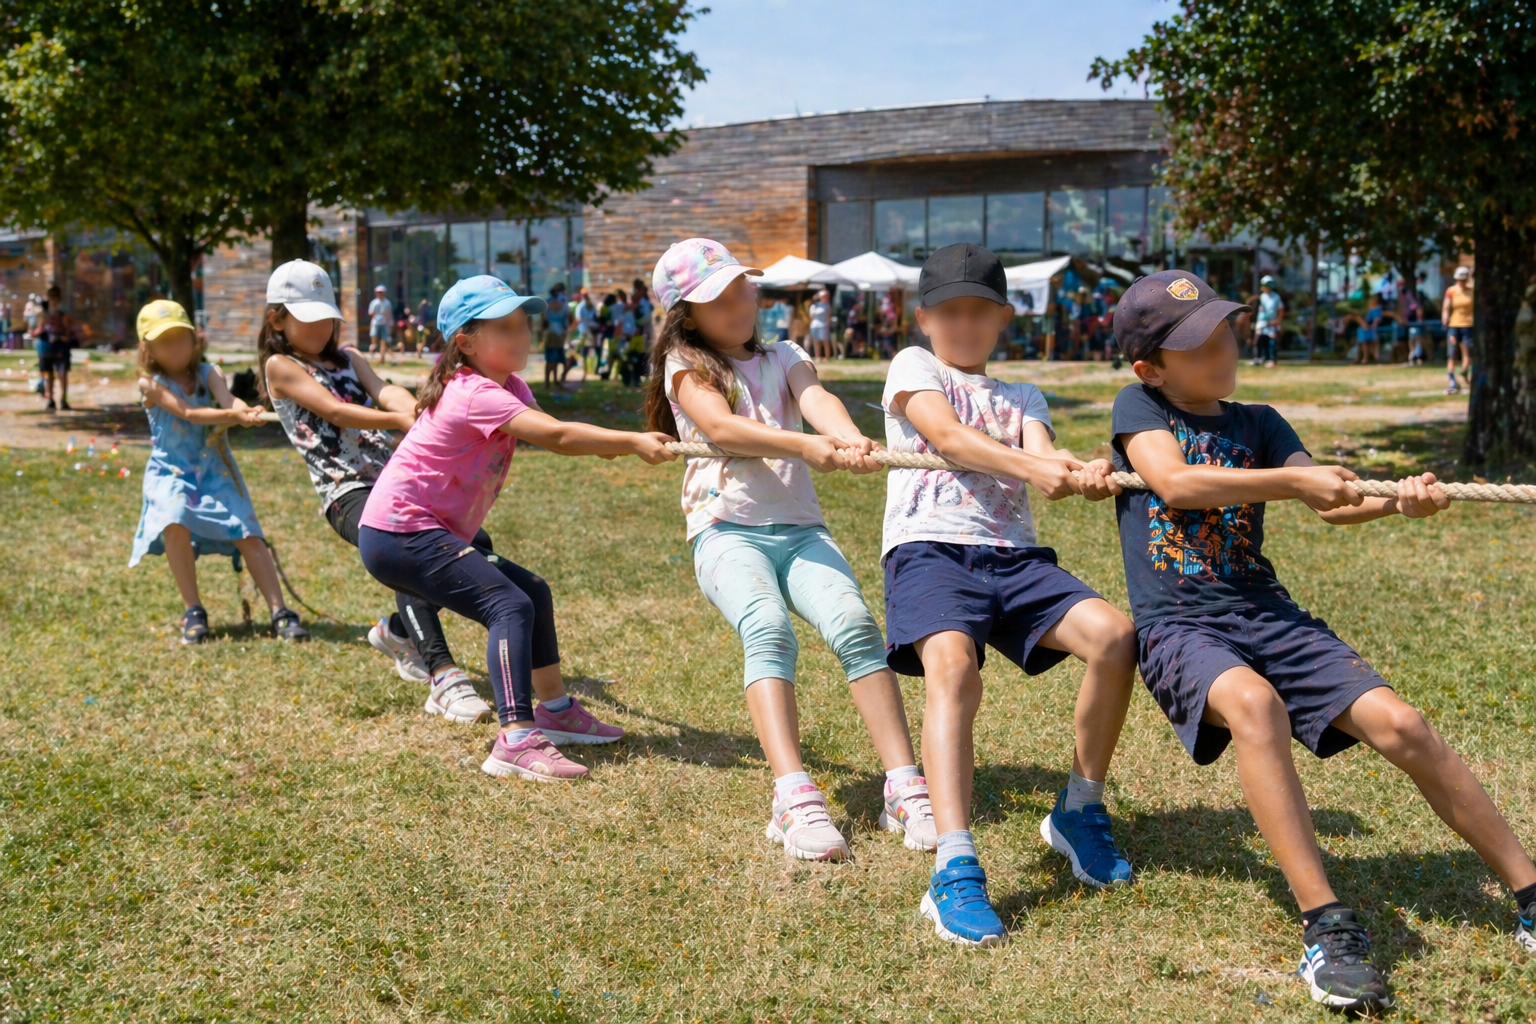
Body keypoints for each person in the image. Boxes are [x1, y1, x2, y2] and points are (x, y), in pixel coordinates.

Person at [1108, 269, 1536, 1011]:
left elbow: (1330, 502)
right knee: (1254, 704)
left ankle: (1530, 893)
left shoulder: (1261, 422)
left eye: (1224, 332)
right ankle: (1325, 926)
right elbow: (1174, 484)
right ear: (1152, 367)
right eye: (1196, 345)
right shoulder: (1136, 407)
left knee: (1402, 724)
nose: (1221, 349)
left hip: (1265, 609)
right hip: (1179, 623)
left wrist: (1394, 503)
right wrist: (1290, 483)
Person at [643, 237, 938, 862]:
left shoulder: (784, 354)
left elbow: (816, 399)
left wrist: (848, 437)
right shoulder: (684, 365)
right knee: (769, 630)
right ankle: (793, 796)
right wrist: (805, 447)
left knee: (856, 625)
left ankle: (905, 785)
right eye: (716, 298)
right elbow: (721, 428)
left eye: (740, 287)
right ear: (686, 315)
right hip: (725, 530)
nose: (737, 303)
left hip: (800, 529)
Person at [880, 243, 1136, 947]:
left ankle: (1079, 811)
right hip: (930, 551)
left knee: (1115, 636)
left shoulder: (1023, 395)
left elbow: (1042, 451)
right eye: (951, 312)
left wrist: (1073, 468)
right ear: (925, 317)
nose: (965, 325)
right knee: (953, 669)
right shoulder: (914, 367)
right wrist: (1031, 465)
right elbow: (946, 435)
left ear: (1002, 321)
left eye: (980, 313)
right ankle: (955, 866)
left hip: (1016, 559)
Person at [358, 276, 676, 780]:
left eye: (522, 323)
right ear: (465, 342)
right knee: (508, 604)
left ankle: (555, 710)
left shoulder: (508, 386)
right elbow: (557, 434)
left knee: (532, 590)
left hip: (419, 532)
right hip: (400, 534)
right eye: (505, 327)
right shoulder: (471, 393)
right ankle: (515, 739)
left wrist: (620, 443)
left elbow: (558, 434)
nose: (522, 335)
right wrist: (632, 440)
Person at [257, 260, 489, 720]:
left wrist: (420, 409)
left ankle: (399, 632)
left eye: (327, 315)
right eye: (309, 318)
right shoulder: (280, 365)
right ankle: (443, 675)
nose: (322, 326)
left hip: (395, 477)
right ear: (277, 319)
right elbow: (336, 411)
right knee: (412, 549)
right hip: (346, 491)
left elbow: (386, 391)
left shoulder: (349, 356)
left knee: (476, 543)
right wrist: (402, 419)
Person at [129, 299, 310, 644]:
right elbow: (188, 413)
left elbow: (228, 401)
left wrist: (243, 410)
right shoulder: (150, 384)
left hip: (215, 467)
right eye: (163, 341)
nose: (174, 347)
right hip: (172, 471)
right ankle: (193, 611)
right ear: (146, 348)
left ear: (194, 338)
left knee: (247, 530)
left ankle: (280, 612)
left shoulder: (209, 372)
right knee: (174, 519)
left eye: (180, 337)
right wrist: (232, 417)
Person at [32, 285, 76, 411]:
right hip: (46, 347)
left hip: (61, 347)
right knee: (49, 374)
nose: (54, 301)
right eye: (52, 298)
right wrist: (33, 333)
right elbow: (40, 328)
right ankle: (50, 399)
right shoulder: (44, 314)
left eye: (56, 298)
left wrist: (65, 337)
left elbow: (69, 331)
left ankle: (63, 399)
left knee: (62, 373)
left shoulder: (64, 315)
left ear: (59, 299)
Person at [1442, 265, 1473, 394]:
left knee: (1467, 353)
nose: (1462, 282)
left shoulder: (1472, 290)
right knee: (1452, 354)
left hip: (1469, 325)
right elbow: (1446, 306)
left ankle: (1465, 373)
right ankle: (1452, 381)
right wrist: (1445, 317)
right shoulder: (1451, 290)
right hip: (1454, 325)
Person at [1254, 274, 1284, 368]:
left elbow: (1281, 309)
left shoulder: (1276, 297)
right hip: (1262, 322)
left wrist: (1278, 321)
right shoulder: (1262, 297)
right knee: (1259, 340)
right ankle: (1259, 358)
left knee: (1272, 341)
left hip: (1272, 322)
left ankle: (1272, 360)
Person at [367, 285, 393, 356]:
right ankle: (373, 352)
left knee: (384, 340)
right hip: (375, 323)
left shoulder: (387, 303)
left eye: (381, 292)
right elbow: (370, 313)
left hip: (384, 323)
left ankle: (382, 356)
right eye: (378, 292)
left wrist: (390, 322)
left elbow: (389, 314)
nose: (379, 294)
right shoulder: (374, 302)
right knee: (374, 339)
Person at [807, 289, 832, 360]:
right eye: (823, 296)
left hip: (823, 325)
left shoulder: (827, 306)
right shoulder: (813, 306)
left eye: (826, 296)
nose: (825, 297)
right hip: (814, 325)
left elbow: (828, 316)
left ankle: (827, 357)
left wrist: (826, 324)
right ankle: (817, 357)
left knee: (825, 341)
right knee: (816, 341)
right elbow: (811, 316)